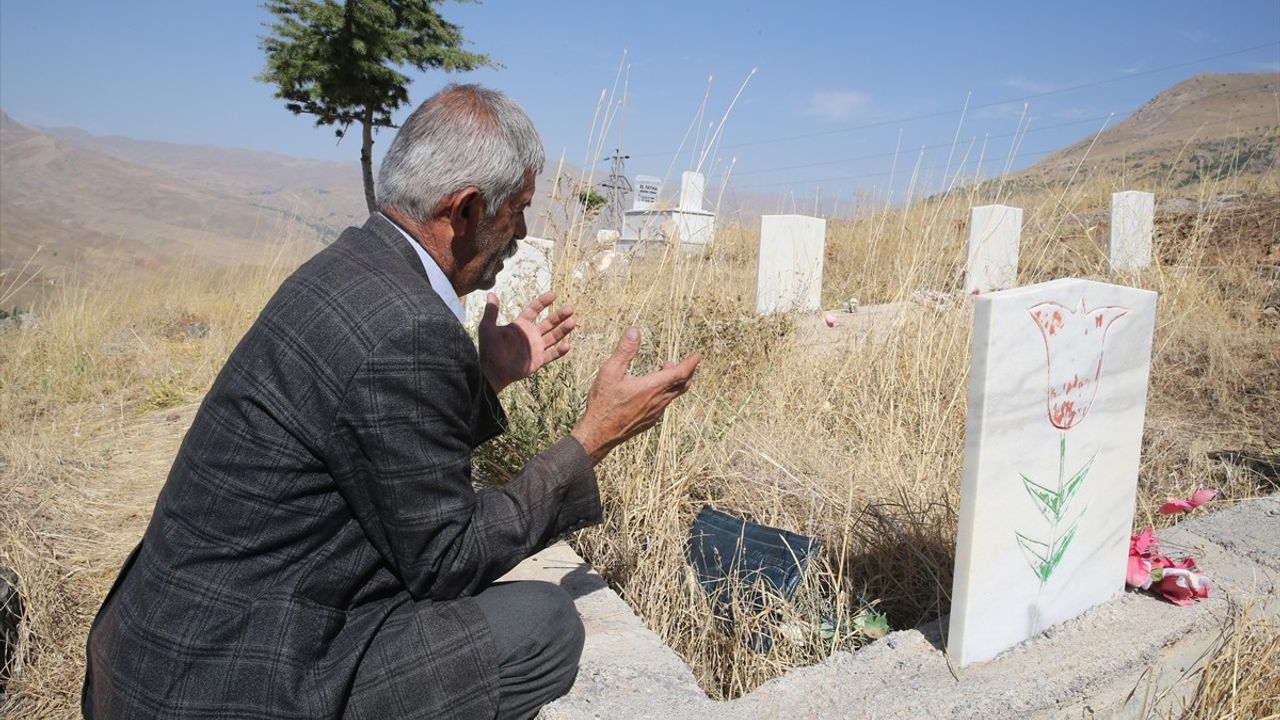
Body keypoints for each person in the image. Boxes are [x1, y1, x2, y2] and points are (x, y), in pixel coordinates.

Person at [82, 84, 702, 720]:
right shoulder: (410, 326)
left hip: (150, 653)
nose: (521, 230)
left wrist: (483, 377)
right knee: (542, 625)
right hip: (235, 679)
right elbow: (448, 561)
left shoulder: (351, 266)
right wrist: (592, 437)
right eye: (515, 209)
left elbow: (371, 443)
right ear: (464, 210)